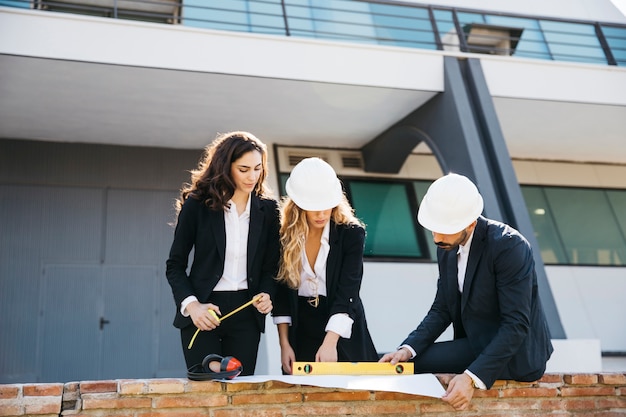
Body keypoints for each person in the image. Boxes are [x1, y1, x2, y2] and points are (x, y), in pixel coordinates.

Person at [379, 173, 553, 410]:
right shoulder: (446, 247)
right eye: (433, 229)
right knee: (401, 366)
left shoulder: (510, 246)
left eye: (444, 230)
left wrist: (471, 377)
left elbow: (516, 324)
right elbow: (442, 309)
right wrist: (407, 349)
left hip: (517, 354)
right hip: (475, 343)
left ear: (471, 223)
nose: (437, 238)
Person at [165, 131, 280, 376]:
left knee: (239, 391)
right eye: (244, 169)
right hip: (203, 310)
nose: (252, 177)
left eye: (258, 169)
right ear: (226, 167)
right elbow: (175, 265)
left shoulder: (269, 211)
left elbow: (271, 267)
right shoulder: (197, 205)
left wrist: (268, 293)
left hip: (246, 313)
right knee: (207, 387)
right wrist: (192, 306)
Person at [273, 157, 379, 374]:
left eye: (326, 206)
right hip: (301, 328)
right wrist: (284, 344)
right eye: (314, 208)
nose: (321, 214)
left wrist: (330, 341)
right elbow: (281, 294)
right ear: (299, 204)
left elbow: (348, 290)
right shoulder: (283, 236)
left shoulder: (352, 234)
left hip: (342, 324)